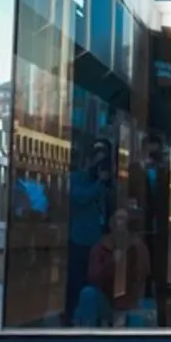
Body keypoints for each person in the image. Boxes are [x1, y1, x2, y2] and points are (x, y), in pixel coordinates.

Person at [65, 139, 112, 326]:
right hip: (80, 239)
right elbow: (79, 197)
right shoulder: (78, 178)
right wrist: (99, 183)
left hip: (98, 239)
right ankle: (69, 316)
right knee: (76, 280)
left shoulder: (104, 183)